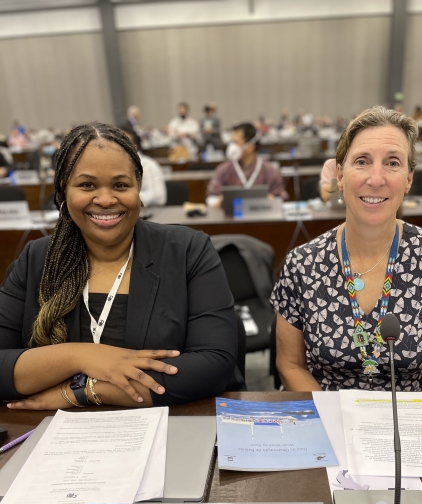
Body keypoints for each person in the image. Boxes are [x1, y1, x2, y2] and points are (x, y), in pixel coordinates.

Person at [0, 122, 241, 410]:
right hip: (56, 435)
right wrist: (81, 356)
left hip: (172, 423)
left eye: (120, 185)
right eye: (87, 185)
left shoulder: (188, 250)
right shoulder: (36, 259)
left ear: (138, 187)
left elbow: (213, 365)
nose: (105, 199)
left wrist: (83, 391)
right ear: (64, 191)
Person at [271, 106, 422, 392]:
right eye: (362, 161)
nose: (376, 178)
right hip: (326, 415)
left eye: (393, 163)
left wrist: (417, 426)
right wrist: (334, 426)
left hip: (411, 417)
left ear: (408, 179)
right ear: (340, 176)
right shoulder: (301, 263)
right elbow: (290, 365)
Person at [206, 122, 288, 206]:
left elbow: (281, 199)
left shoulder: (269, 170)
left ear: (251, 147)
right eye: (232, 142)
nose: (232, 147)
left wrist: (272, 200)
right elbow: (211, 198)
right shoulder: (224, 169)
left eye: (236, 142)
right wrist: (219, 201)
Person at [121, 126, 166, 207]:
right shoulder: (109, 167)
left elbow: (159, 197)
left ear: (135, 147)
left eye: (124, 143)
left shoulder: (148, 165)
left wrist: (125, 198)